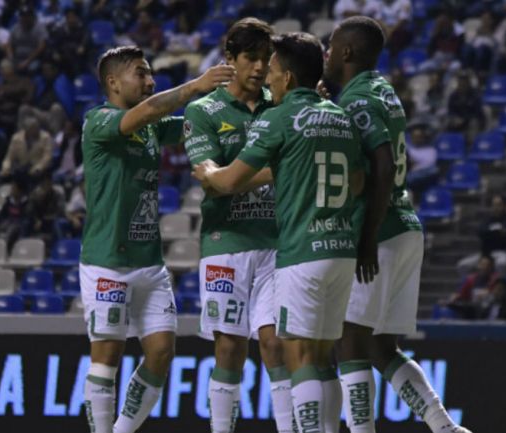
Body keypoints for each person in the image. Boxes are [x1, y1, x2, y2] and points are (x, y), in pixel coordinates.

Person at [194, 32, 364, 433]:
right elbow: (357, 182)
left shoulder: (277, 116)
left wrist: (211, 173)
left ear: (287, 77)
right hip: (341, 248)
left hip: (298, 250)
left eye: (270, 68)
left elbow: (230, 181)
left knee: (299, 355)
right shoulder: (339, 115)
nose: (265, 75)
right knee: (323, 357)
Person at [323, 17, 471, 433]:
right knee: (382, 346)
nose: (327, 54)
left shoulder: (357, 101)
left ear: (347, 52)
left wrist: (366, 237)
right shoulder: (381, 89)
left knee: (349, 337)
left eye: (331, 46)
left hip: (379, 232)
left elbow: (383, 164)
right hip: (405, 224)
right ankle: (445, 426)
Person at [79, 46, 233, 433]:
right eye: (141, 74)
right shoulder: (98, 120)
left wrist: (237, 99)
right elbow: (147, 111)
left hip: (149, 262)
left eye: (151, 75)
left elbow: (192, 124)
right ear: (113, 82)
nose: (150, 81)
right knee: (106, 358)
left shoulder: (150, 125)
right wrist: (197, 85)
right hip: (107, 262)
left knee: (162, 353)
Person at [183, 18, 291, 433]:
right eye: (251, 58)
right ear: (229, 59)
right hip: (225, 241)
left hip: (276, 242)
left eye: (267, 59)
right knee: (229, 347)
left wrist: (231, 176)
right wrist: (278, 169)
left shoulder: (280, 104)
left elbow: (222, 178)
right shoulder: (203, 110)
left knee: (275, 345)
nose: (260, 68)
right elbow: (212, 182)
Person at [0, 116, 53, 182]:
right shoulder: (16, 138)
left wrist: (38, 168)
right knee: (4, 176)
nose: (36, 130)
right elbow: (9, 157)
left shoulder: (46, 137)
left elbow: (47, 157)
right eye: (33, 128)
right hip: (21, 167)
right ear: (26, 129)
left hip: (37, 168)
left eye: (37, 127)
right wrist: (6, 168)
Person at [7, 6, 48, 75]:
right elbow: (9, 44)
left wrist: (27, 61)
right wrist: (11, 57)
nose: (25, 18)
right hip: (17, 58)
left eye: (27, 16)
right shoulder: (16, 27)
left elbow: (41, 47)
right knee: (5, 66)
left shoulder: (40, 28)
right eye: (23, 16)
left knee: (32, 68)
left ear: (32, 17)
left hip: (33, 59)